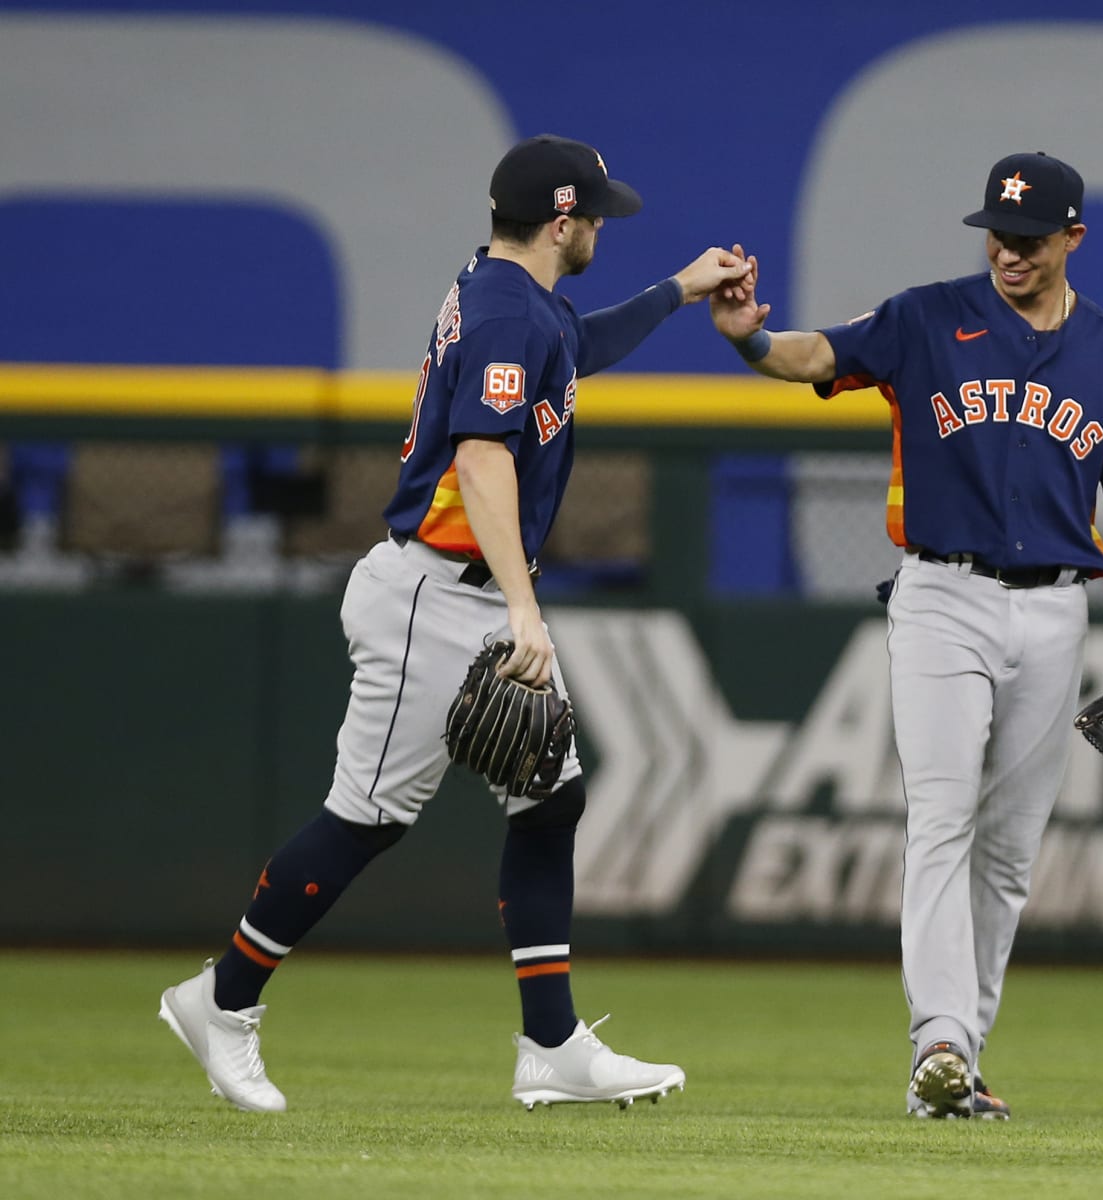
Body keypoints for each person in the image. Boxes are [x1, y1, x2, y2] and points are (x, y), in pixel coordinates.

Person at [158, 134, 750, 1113]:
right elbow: (482, 461)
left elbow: (576, 347)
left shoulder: (508, 294)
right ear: (563, 221)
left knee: (549, 801)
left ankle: (552, 1044)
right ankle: (221, 1001)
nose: (603, 224)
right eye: (596, 213)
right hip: (437, 595)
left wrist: (680, 289)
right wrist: (524, 609)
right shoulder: (509, 311)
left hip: (465, 590)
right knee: (366, 819)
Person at [709, 152, 1103, 1120]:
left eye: (1031, 237)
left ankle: (957, 1064)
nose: (1009, 250)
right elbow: (820, 356)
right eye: (998, 233)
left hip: (1053, 607)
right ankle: (940, 1040)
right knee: (942, 816)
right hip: (941, 596)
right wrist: (753, 340)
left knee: (1007, 851)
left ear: (1072, 239)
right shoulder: (925, 316)